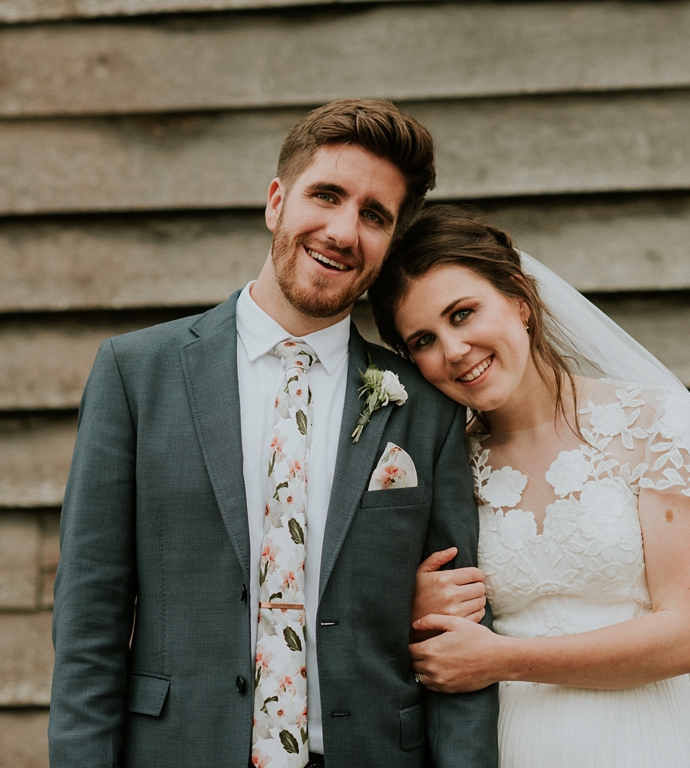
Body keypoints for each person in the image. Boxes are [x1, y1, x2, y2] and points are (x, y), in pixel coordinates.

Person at [49, 101, 498, 768]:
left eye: (373, 215)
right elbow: (89, 623)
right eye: (327, 195)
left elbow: (457, 639)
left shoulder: (424, 407)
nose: (344, 230)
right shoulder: (136, 374)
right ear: (276, 200)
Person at [368, 205, 690, 768]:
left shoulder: (652, 423)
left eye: (463, 314)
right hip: (504, 746)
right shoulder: (444, 464)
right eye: (424, 339)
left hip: (637, 742)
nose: (453, 351)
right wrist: (414, 608)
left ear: (519, 302)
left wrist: (502, 658)